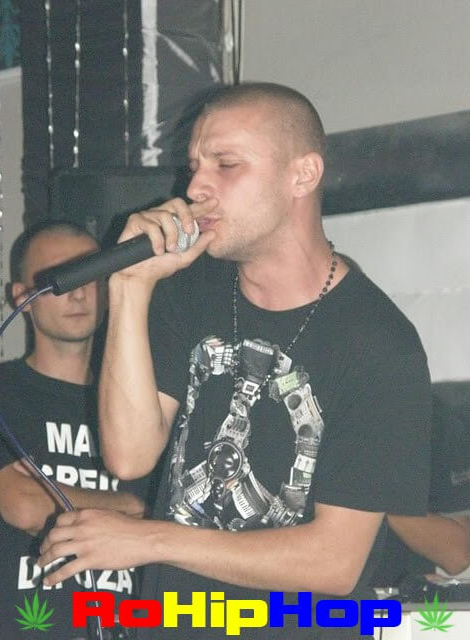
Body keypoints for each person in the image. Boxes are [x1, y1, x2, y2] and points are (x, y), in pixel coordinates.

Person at [39, 83, 433, 639]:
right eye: (194, 166)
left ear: (303, 175)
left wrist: (148, 539)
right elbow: (128, 455)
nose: (195, 187)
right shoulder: (186, 293)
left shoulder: (378, 343)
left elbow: (333, 563)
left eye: (226, 165)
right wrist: (129, 286)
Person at [0, 220, 149, 640]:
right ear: (22, 297)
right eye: (61, 279)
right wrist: (133, 508)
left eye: (89, 275)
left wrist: (60, 497)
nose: (78, 292)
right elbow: (24, 506)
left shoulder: (141, 406)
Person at [373, 391, 470, 586]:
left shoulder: (431, 417)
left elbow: (457, 555)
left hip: (396, 592)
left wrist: (366, 496)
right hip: (317, 587)